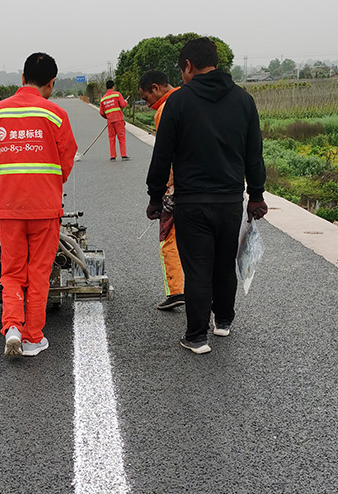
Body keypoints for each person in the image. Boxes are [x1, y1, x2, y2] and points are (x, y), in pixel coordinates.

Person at [145, 38, 268, 355]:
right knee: (224, 264)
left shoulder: (179, 102)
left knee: (198, 267)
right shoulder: (243, 100)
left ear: (188, 66)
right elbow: (254, 154)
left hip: (193, 202)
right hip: (230, 201)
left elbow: (163, 156)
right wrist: (255, 196)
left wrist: (155, 197)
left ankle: (197, 336)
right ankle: (224, 321)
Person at [0, 53, 78, 358]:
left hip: (8, 209)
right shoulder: (56, 114)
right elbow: (67, 158)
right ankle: (34, 337)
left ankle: (11, 327)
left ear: (21, 79)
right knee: (38, 273)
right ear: (50, 84)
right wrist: (51, 181)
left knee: (11, 271)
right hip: (45, 209)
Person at [138, 70, 184, 311]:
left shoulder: (165, 110)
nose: (147, 105)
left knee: (169, 240)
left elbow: (164, 156)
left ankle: (176, 290)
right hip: (205, 185)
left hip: (176, 187)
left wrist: (162, 193)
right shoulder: (190, 99)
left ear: (156, 88)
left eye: (146, 98)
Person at [99, 80, 129, 161]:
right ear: (113, 87)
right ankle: (123, 155)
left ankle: (113, 156)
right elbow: (122, 104)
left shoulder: (103, 99)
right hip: (119, 120)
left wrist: (108, 117)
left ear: (106, 87)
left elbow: (101, 112)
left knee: (111, 138)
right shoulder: (117, 94)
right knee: (121, 137)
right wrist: (125, 102)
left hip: (110, 121)